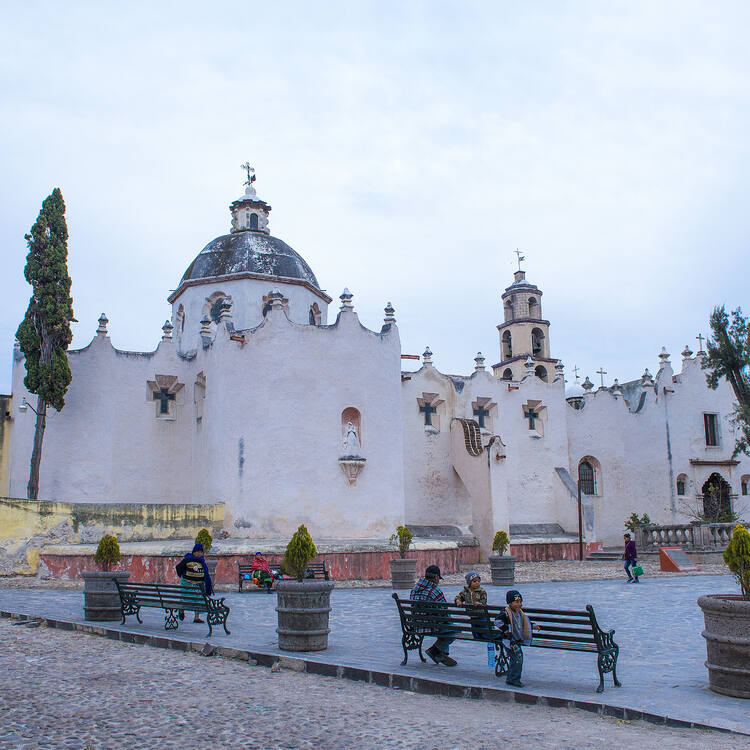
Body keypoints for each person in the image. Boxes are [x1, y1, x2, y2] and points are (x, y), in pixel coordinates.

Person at [409, 564, 457, 667]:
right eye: (438, 578)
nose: (438, 581)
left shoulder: (414, 589)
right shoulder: (435, 591)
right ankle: (436, 651)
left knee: (447, 626)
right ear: (435, 577)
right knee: (455, 629)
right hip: (431, 627)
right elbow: (444, 610)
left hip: (416, 625)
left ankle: (441, 654)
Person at [494, 589, 540, 687]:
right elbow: (497, 622)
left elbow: (525, 623)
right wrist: (506, 630)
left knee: (516, 659)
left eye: (520, 602)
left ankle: (511, 678)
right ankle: (514, 679)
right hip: (509, 641)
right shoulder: (505, 613)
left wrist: (533, 626)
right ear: (510, 603)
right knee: (518, 659)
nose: (519, 604)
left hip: (516, 641)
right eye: (516, 602)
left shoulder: (520, 613)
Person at [176, 542, 213, 623]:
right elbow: (179, 568)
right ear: (194, 552)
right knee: (186, 598)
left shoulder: (201, 561)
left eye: (201, 552)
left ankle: (196, 618)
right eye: (198, 552)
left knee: (199, 599)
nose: (199, 553)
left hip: (198, 584)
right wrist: (184, 577)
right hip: (187, 584)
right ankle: (181, 610)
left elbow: (205, 572)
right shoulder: (187, 559)